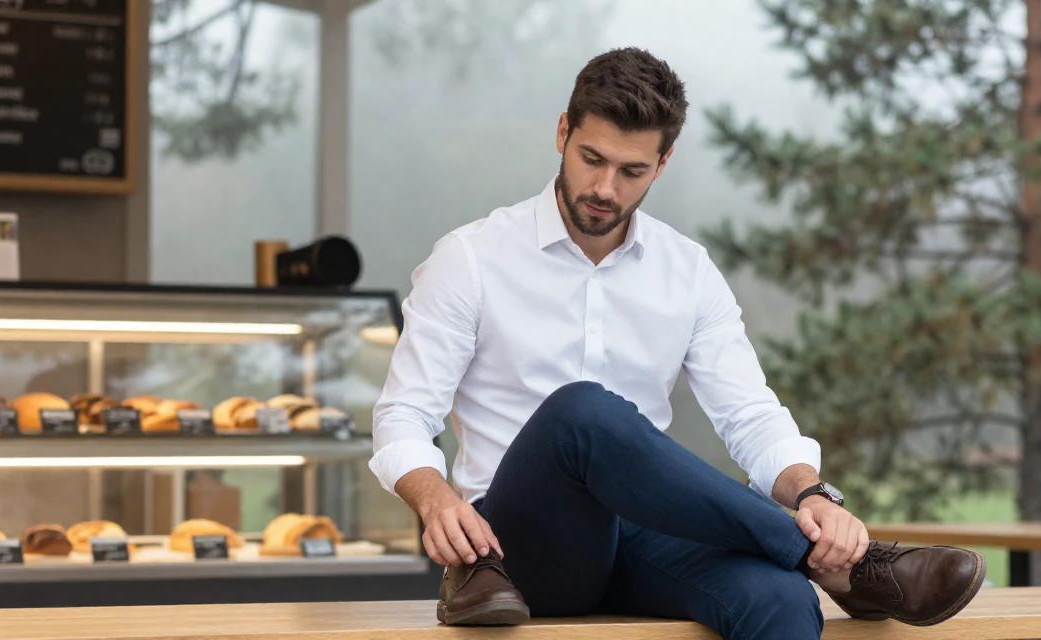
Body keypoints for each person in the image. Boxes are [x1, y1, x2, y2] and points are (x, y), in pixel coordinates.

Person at [371, 47, 986, 639]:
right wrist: (435, 499)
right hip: (516, 545)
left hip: (644, 533)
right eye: (592, 158)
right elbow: (403, 416)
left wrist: (810, 492)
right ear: (562, 132)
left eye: (632, 170)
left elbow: (749, 416)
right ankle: (836, 562)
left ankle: (811, 564)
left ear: (662, 164)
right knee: (582, 411)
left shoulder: (687, 270)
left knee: (782, 601)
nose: (605, 188)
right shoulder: (471, 259)